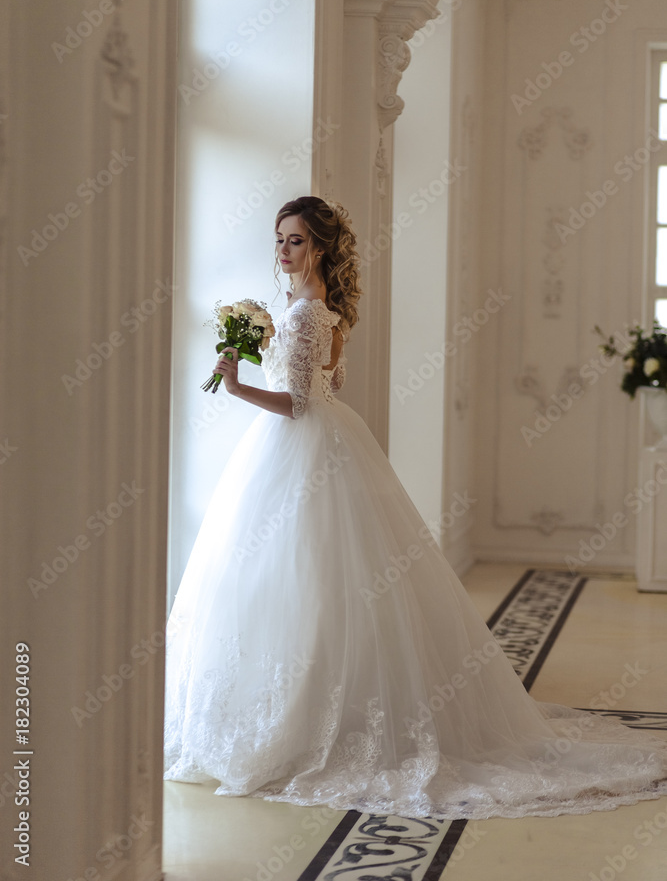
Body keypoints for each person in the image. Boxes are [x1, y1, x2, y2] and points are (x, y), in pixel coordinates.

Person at [163, 195, 667, 820]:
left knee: (297, 576)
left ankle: (301, 721)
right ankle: (330, 706)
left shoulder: (300, 316)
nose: (282, 250)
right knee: (321, 580)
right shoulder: (325, 313)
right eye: (279, 239)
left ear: (318, 247)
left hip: (297, 444)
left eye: (294, 240)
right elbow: (331, 384)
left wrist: (237, 384)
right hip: (330, 441)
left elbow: (296, 403)